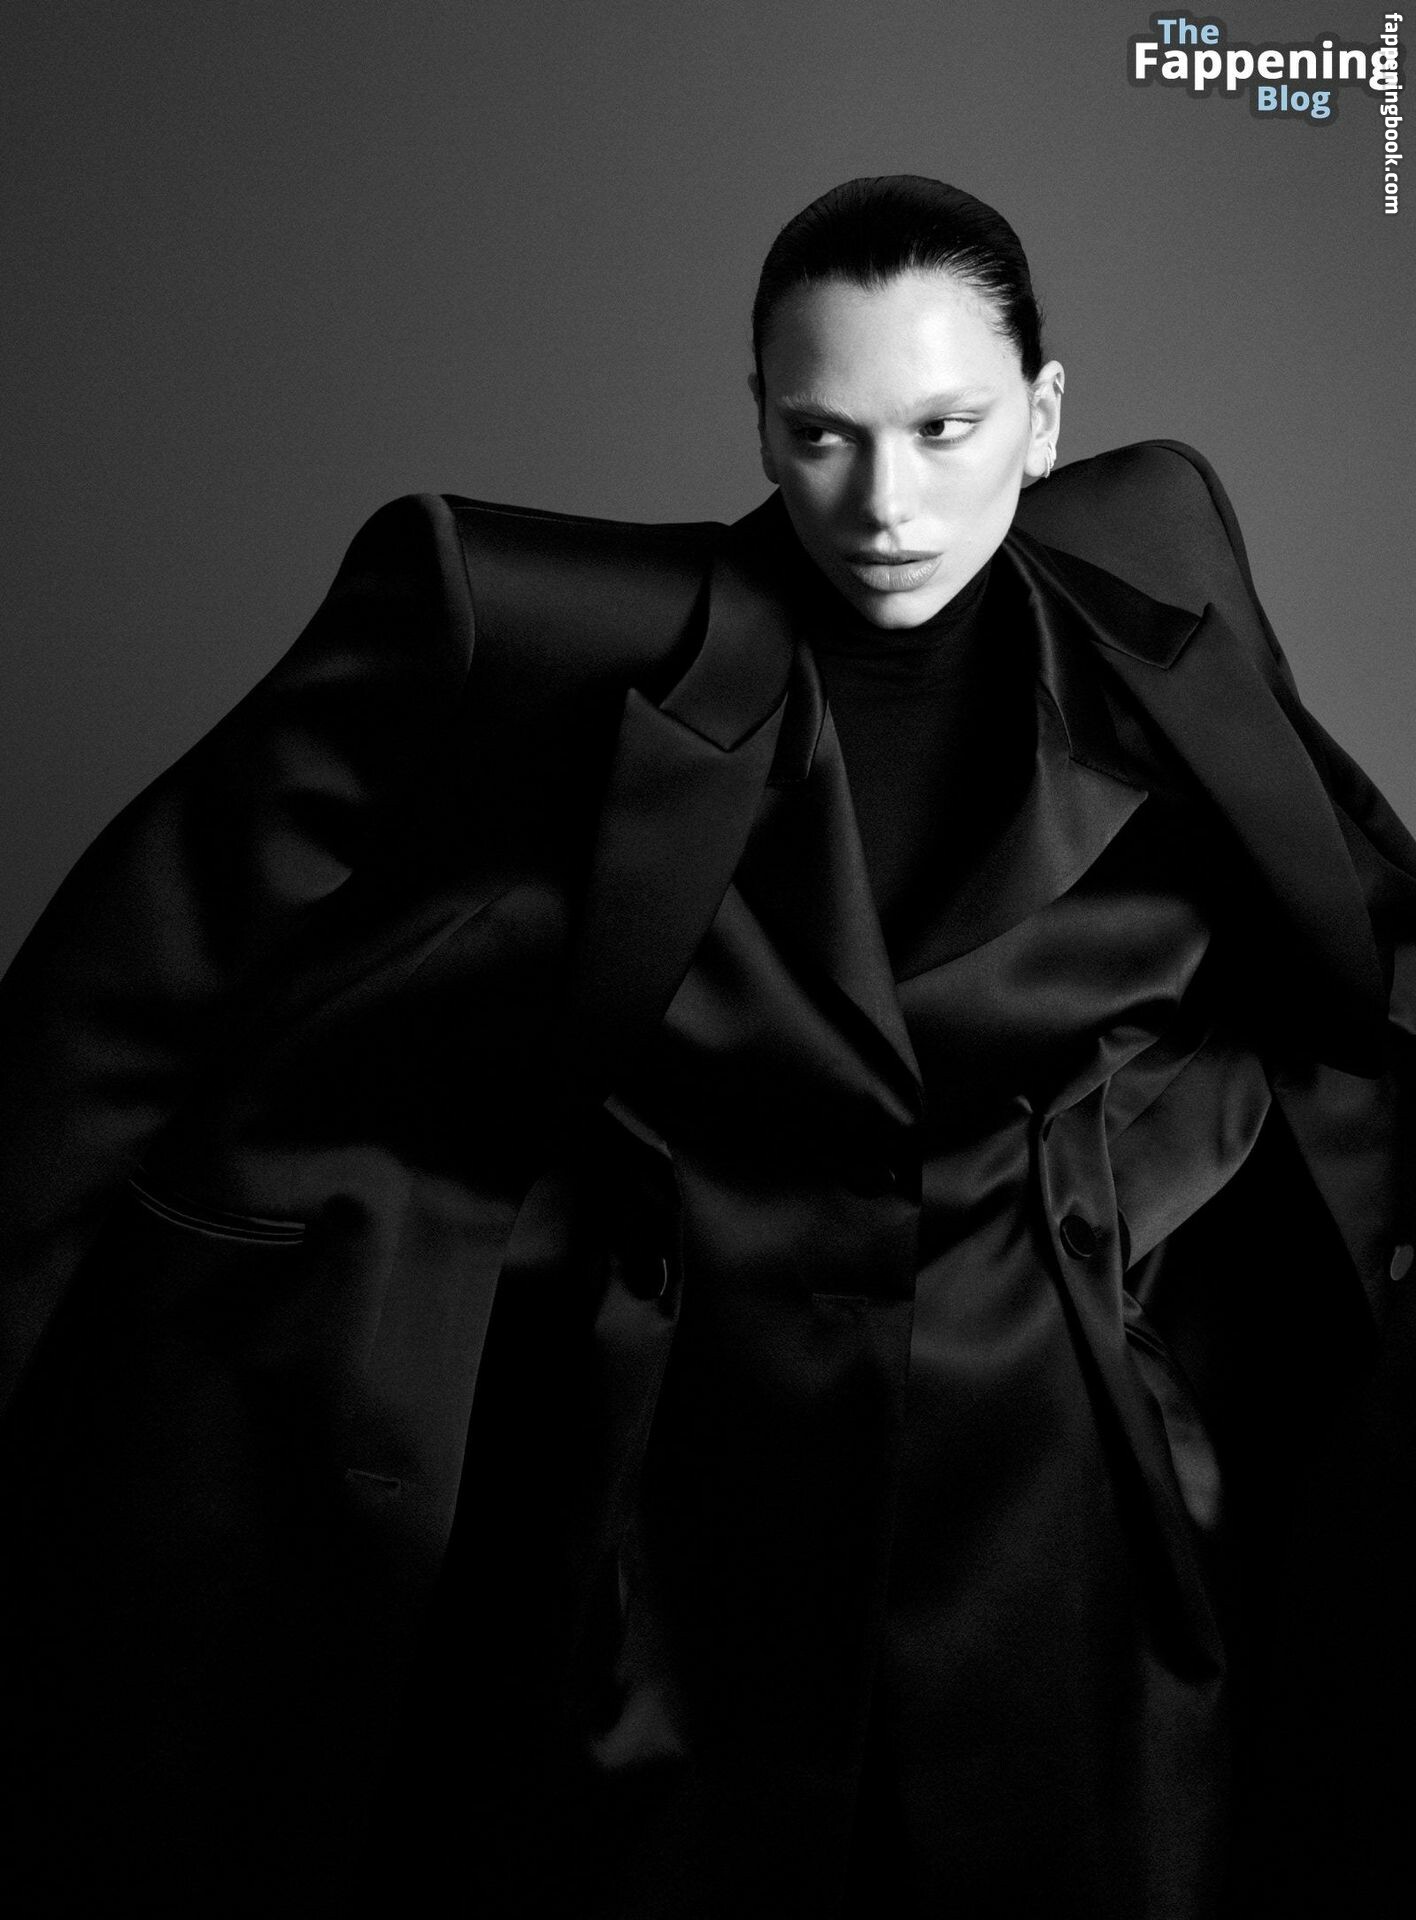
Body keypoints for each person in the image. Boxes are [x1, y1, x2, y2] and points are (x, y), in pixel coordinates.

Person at [1, 174, 1413, 1919]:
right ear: (757, 417)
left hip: (1057, 1493)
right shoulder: (537, 629)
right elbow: (134, 977)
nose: (885, 503)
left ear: (1044, 418)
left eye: (945, 428)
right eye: (822, 434)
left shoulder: (1161, 588)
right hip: (672, 1495)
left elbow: (1358, 924)